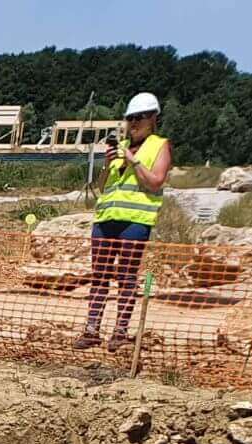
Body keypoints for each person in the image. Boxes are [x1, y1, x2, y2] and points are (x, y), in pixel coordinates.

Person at [78, 92, 171, 350]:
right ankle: (91, 328)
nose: (134, 123)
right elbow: (102, 186)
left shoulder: (159, 145)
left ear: (153, 118)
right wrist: (108, 166)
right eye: (130, 118)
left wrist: (134, 161)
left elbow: (155, 181)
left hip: (135, 221)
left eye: (139, 118)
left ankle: (120, 331)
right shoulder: (120, 147)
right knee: (100, 276)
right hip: (105, 219)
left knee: (127, 277)